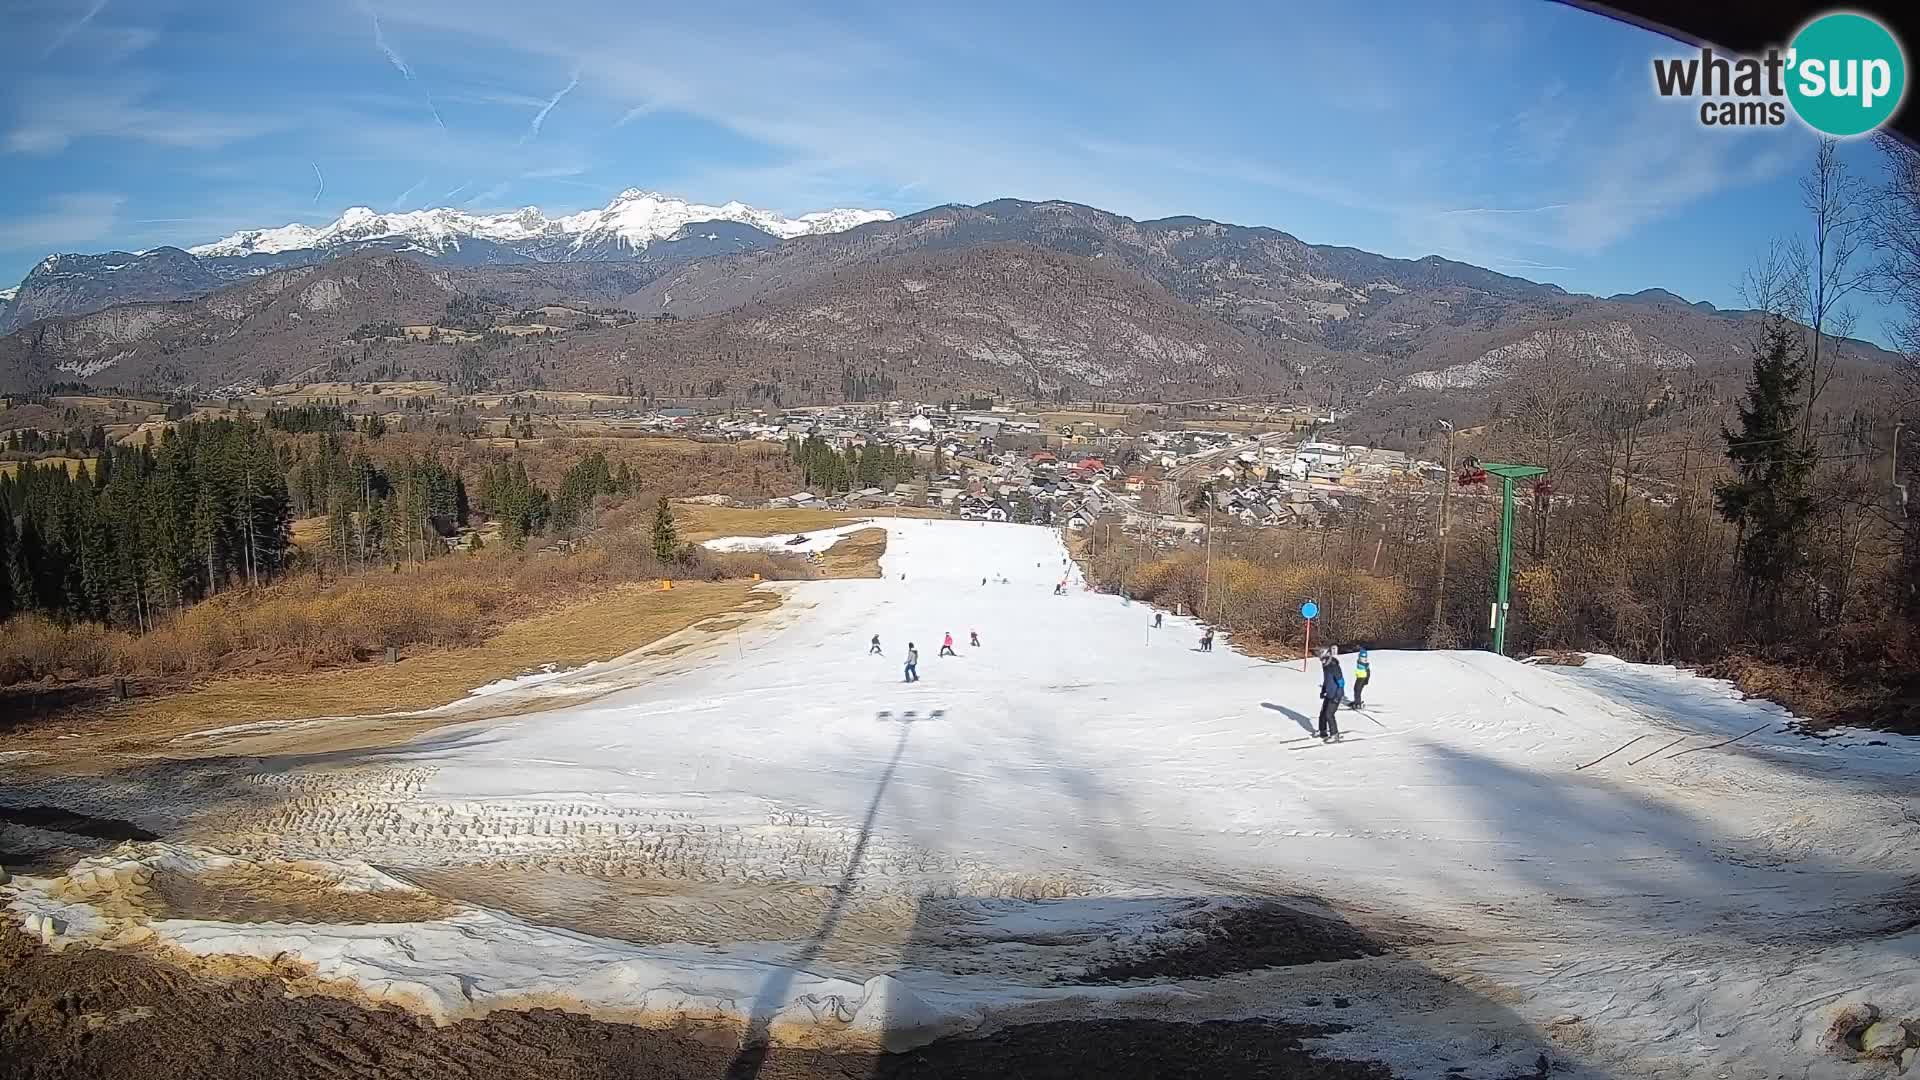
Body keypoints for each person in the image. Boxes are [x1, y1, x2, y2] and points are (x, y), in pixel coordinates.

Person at [1317, 648, 1345, 742]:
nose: (1322, 661)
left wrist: (1338, 696)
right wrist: (1323, 690)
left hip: (1336, 694)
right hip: (1329, 693)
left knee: (1329, 714)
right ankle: (1322, 731)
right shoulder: (1326, 666)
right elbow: (1326, 680)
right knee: (1323, 713)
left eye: (1324, 659)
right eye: (1321, 659)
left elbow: (1341, 682)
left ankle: (1335, 734)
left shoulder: (1334, 666)